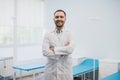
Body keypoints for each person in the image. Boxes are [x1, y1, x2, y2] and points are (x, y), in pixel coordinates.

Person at [42, 9, 74, 80]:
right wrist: (63, 52)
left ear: (65, 19)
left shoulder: (70, 33)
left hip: (65, 71)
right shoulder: (47, 34)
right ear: (53, 19)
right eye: (57, 17)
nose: (59, 19)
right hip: (51, 71)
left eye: (61, 17)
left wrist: (54, 49)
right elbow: (45, 52)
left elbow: (70, 49)